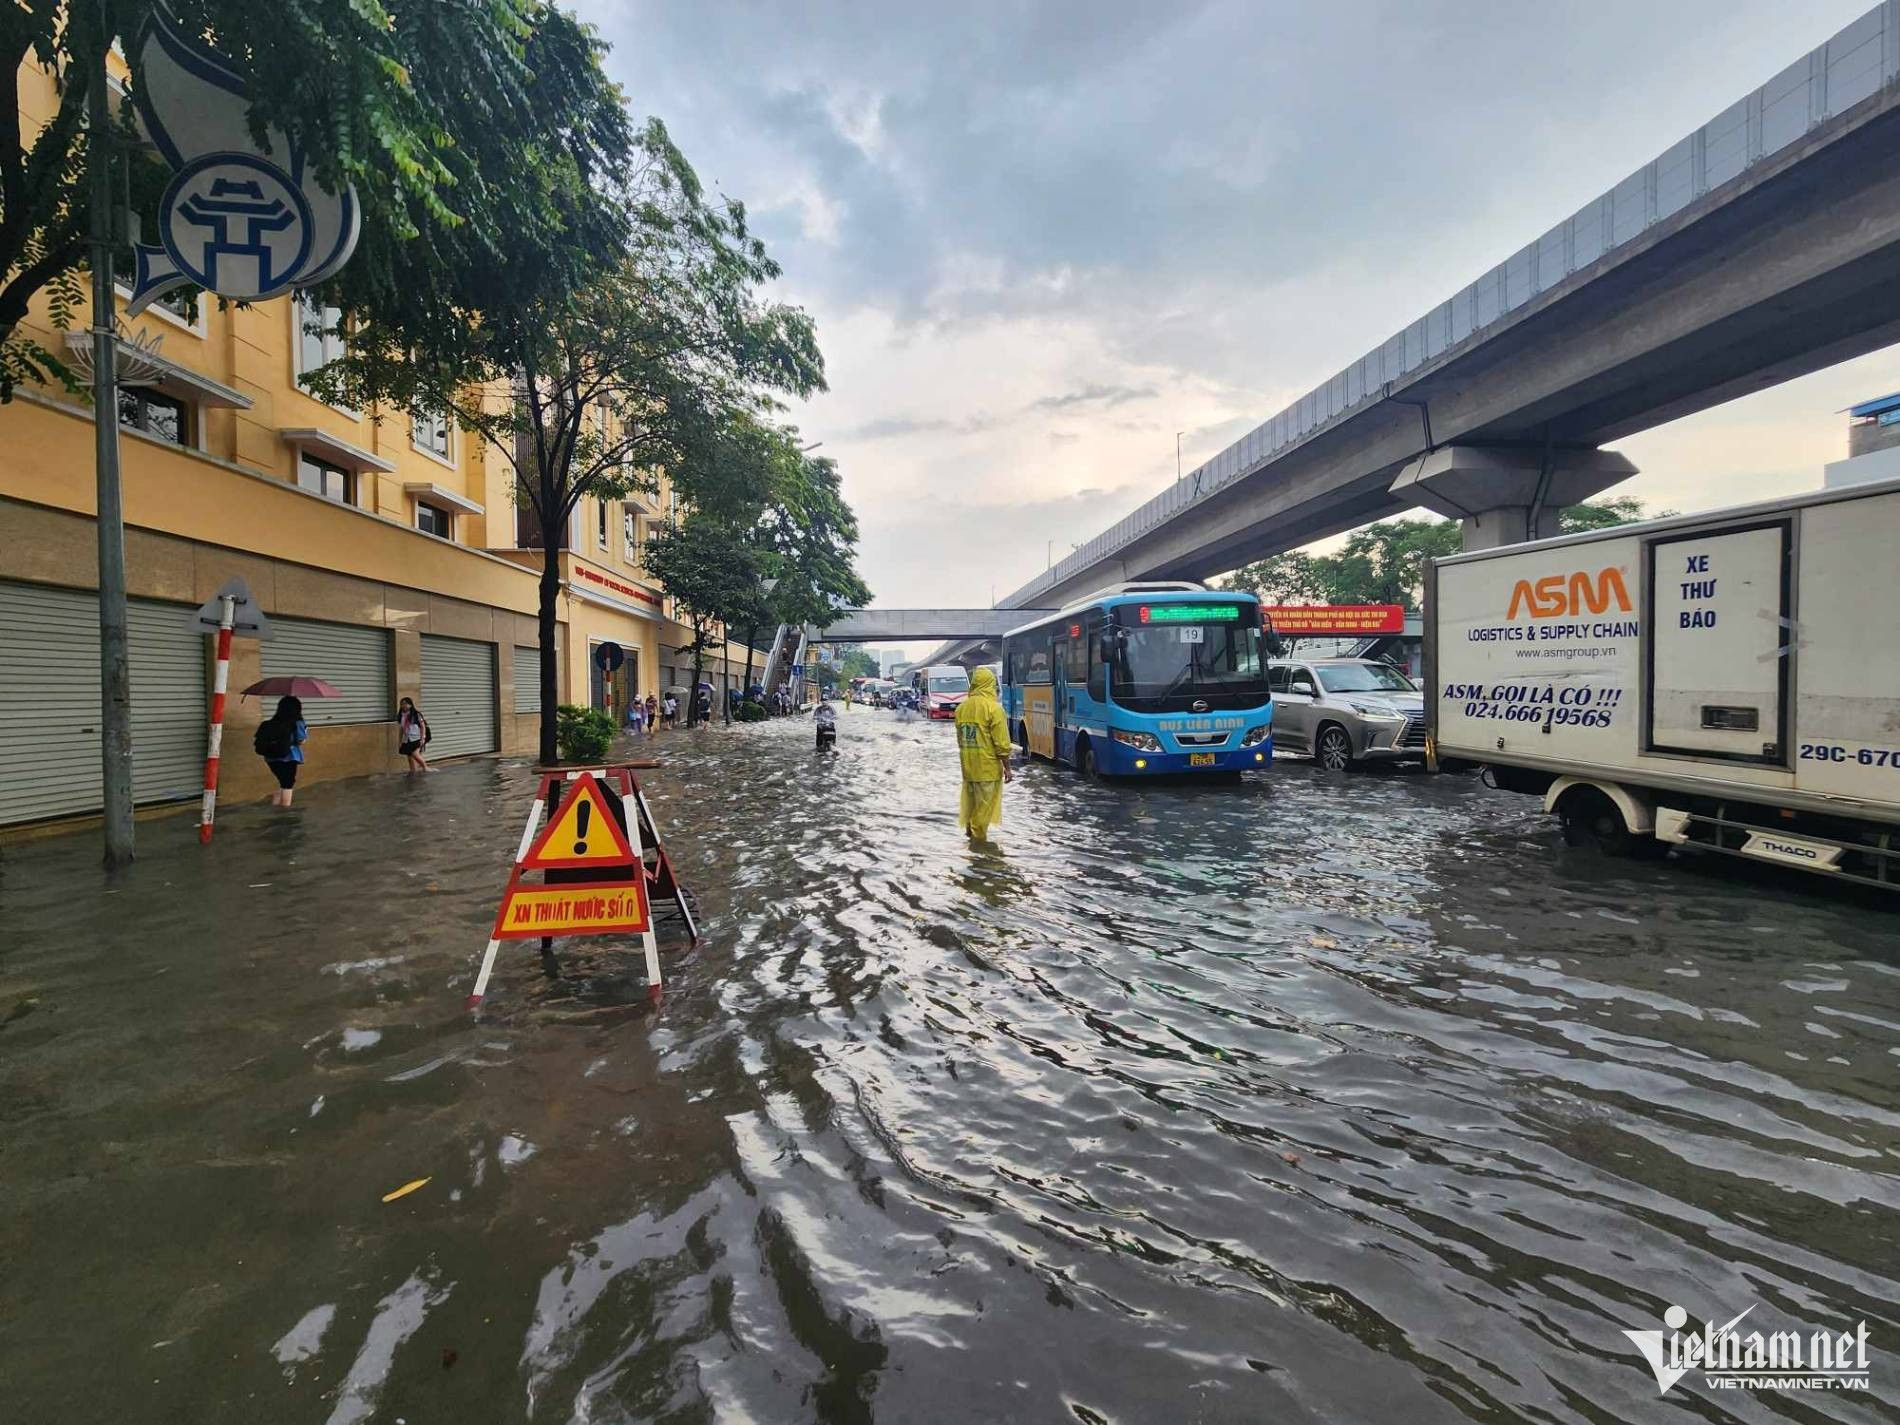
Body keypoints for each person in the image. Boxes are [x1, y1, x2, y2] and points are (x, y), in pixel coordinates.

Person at [954, 667, 1013, 841]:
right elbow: (1002, 744)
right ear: (990, 684)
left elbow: (960, 740)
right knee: (983, 811)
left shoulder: (961, 709)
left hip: (968, 768)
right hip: (987, 769)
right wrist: (1007, 768)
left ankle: (970, 842)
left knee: (971, 807)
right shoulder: (994, 709)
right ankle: (979, 851)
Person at [254, 695, 308, 808]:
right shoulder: (296, 723)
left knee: (282, 781)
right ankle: (285, 811)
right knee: (288, 783)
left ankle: (275, 804)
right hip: (288, 757)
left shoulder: (270, 723)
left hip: (270, 757)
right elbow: (300, 740)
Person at [396, 696, 431, 773]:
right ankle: (413, 771)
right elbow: (402, 729)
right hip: (407, 738)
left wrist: (422, 738)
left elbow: (422, 726)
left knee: (415, 754)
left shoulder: (416, 714)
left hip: (416, 737)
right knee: (409, 757)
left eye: (405, 704)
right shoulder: (401, 715)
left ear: (410, 705)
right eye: (402, 704)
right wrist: (400, 741)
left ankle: (425, 767)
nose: (403, 706)